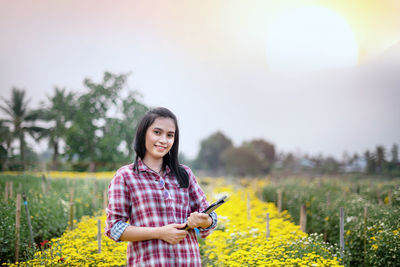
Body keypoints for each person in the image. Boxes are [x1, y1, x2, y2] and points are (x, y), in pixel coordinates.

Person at [105, 107, 217, 267]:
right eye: (157, 132)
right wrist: (159, 232)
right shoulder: (125, 176)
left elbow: (211, 218)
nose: (164, 140)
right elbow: (114, 228)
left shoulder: (185, 173)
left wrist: (202, 220)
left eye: (170, 135)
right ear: (143, 133)